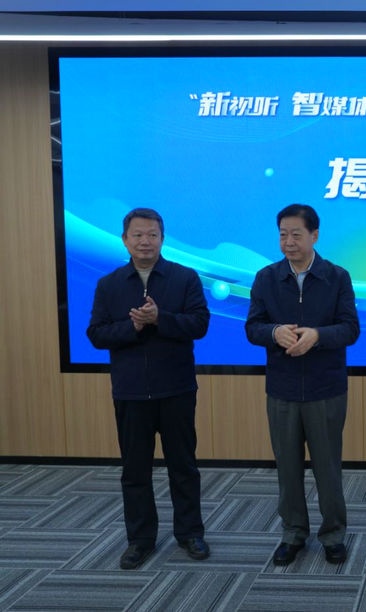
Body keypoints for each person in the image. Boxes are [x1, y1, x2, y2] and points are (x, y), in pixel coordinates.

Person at [87, 207, 211, 570]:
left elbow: (199, 324)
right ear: (125, 240)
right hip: (130, 392)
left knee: (183, 466)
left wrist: (160, 319)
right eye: (138, 235)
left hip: (176, 389)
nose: (145, 241)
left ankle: (190, 533)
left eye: (152, 235)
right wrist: (134, 328)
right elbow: (96, 334)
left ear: (162, 238)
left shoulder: (184, 277)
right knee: (135, 470)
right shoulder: (109, 284)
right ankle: (140, 540)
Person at [245, 203, 360, 566]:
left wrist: (318, 336)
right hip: (282, 389)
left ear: (315, 235)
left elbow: (350, 329)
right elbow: (252, 328)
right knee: (287, 467)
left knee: (328, 467)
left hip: (326, 389)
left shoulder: (337, 277)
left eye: (296, 234)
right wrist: (274, 332)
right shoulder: (266, 278)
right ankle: (293, 533)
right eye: (283, 235)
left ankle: (333, 535)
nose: (288, 242)